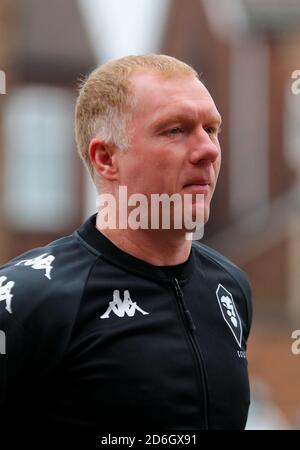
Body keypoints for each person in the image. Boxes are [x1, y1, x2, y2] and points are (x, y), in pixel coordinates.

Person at [0, 54, 252, 439]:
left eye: (212, 129)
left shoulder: (230, 287)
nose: (209, 150)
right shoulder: (26, 301)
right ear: (106, 158)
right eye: (175, 130)